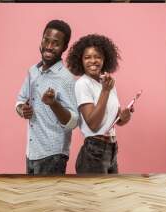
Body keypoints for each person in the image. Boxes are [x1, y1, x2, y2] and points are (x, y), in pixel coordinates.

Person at [15, 20, 78, 175]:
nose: (49, 46)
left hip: (53, 155)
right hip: (31, 152)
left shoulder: (66, 78)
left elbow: (73, 122)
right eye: (46, 40)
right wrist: (22, 109)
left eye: (56, 43)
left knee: (48, 199)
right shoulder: (32, 72)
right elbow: (20, 100)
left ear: (64, 47)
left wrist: (54, 103)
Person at [66, 34, 134, 174]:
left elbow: (117, 121)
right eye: (87, 57)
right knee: (95, 195)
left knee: (110, 193)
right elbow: (93, 123)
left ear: (104, 59)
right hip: (94, 151)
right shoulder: (82, 84)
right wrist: (105, 91)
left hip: (112, 148)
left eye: (97, 56)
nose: (93, 61)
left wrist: (125, 115)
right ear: (80, 60)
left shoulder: (108, 83)